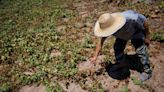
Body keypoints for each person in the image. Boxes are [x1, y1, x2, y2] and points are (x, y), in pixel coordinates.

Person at [91, 10, 152, 81]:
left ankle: (147, 71)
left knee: (141, 51)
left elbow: (144, 21)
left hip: (135, 32)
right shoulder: (106, 26)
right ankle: (121, 63)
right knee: (118, 48)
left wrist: (147, 35)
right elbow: (100, 43)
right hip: (122, 35)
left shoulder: (130, 19)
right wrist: (95, 56)